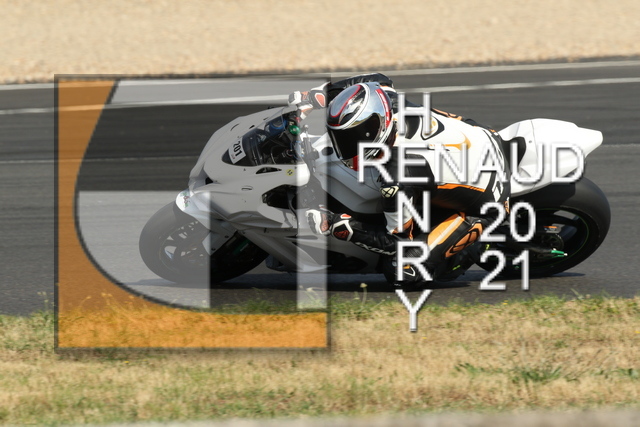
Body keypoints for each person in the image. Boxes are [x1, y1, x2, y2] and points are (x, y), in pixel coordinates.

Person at [289, 73, 511, 284]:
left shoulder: (397, 175)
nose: (343, 146)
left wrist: (339, 226)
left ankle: (470, 248)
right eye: (340, 137)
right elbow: (377, 80)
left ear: (375, 129)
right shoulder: (385, 99)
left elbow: (396, 243)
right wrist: (320, 96)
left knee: (403, 271)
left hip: (489, 199)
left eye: (353, 137)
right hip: (481, 134)